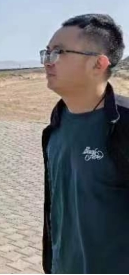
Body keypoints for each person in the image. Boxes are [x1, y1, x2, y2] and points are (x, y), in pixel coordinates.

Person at [41, 14, 129, 274]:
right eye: (46, 52)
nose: (47, 61)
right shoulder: (55, 126)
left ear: (98, 63)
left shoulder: (123, 125)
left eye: (58, 52)